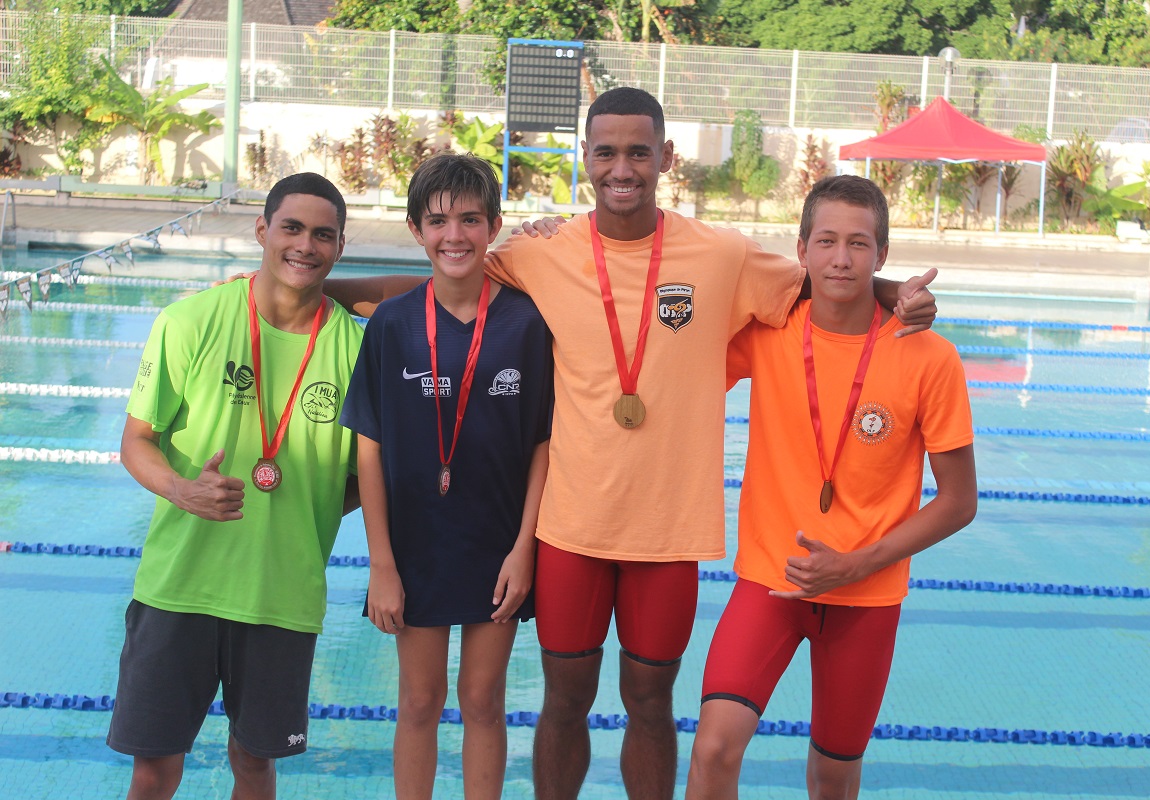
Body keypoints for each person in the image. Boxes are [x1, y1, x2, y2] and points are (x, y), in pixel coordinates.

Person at [321, 87, 938, 800]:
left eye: (639, 152)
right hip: (571, 528)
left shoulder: (721, 254)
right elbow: (440, 282)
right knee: (565, 700)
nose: (623, 167)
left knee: (650, 705)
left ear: (665, 158)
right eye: (607, 152)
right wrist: (319, 285)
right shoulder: (539, 250)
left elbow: (822, 280)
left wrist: (893, 292)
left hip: (667, 533)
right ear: (585, 159)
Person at [684, 175, 977, 800]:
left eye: (858, 244)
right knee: (713, 748)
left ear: (882, 255)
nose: (841, 258)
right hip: (770, 581)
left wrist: (855, 565)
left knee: (833, 776)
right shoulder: (766, 332)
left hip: (866, 598)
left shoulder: (931, 359)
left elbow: (958, 500)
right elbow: (676, 356)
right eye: (826, 242)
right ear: (802, 250)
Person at [108, 173, 364, 800]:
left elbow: (363, 480)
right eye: (292, 228)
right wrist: (179, 489)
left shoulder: (359, 350)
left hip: (281, 595)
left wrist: (312, 500)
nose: (305, 245)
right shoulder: (191, 321)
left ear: (340, 247)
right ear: (262, 230)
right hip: (179, 587)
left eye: (323, 235)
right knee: (155, 767)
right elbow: (135, 442)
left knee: (255, 764)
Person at [339, 153, 552, 799]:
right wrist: (382, 564)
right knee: (420, 701)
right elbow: (369, 449)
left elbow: (545, 444)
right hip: (416, 548)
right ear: (415, 229)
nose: (453, 235)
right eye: (437, 222)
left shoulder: (525, 321)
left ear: (493, 226)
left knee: (484, 701)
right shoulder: (393, 326)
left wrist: (525, 549)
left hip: (496, 547)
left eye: (469, 219)